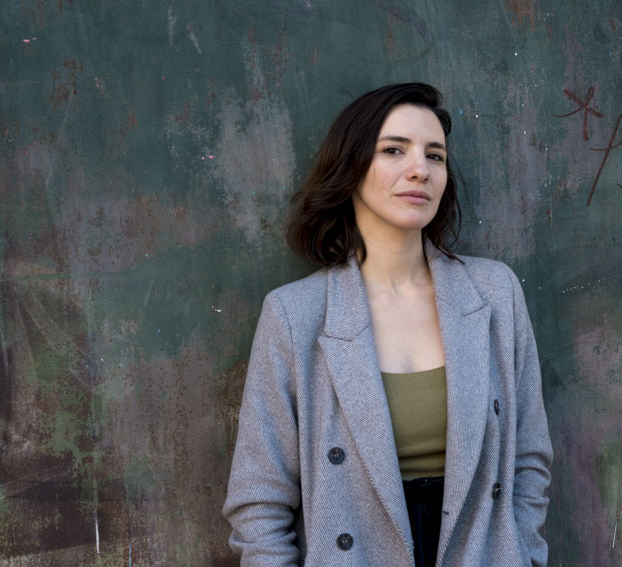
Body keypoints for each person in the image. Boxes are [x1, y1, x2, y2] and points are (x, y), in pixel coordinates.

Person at [223, 82, 552, 567]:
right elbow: (260, 502)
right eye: (394, 150)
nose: (420, 169)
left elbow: (529, 460)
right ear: (351, 167)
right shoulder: (295, 314)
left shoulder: (494, 292)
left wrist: (518, 554)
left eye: (435, 156)